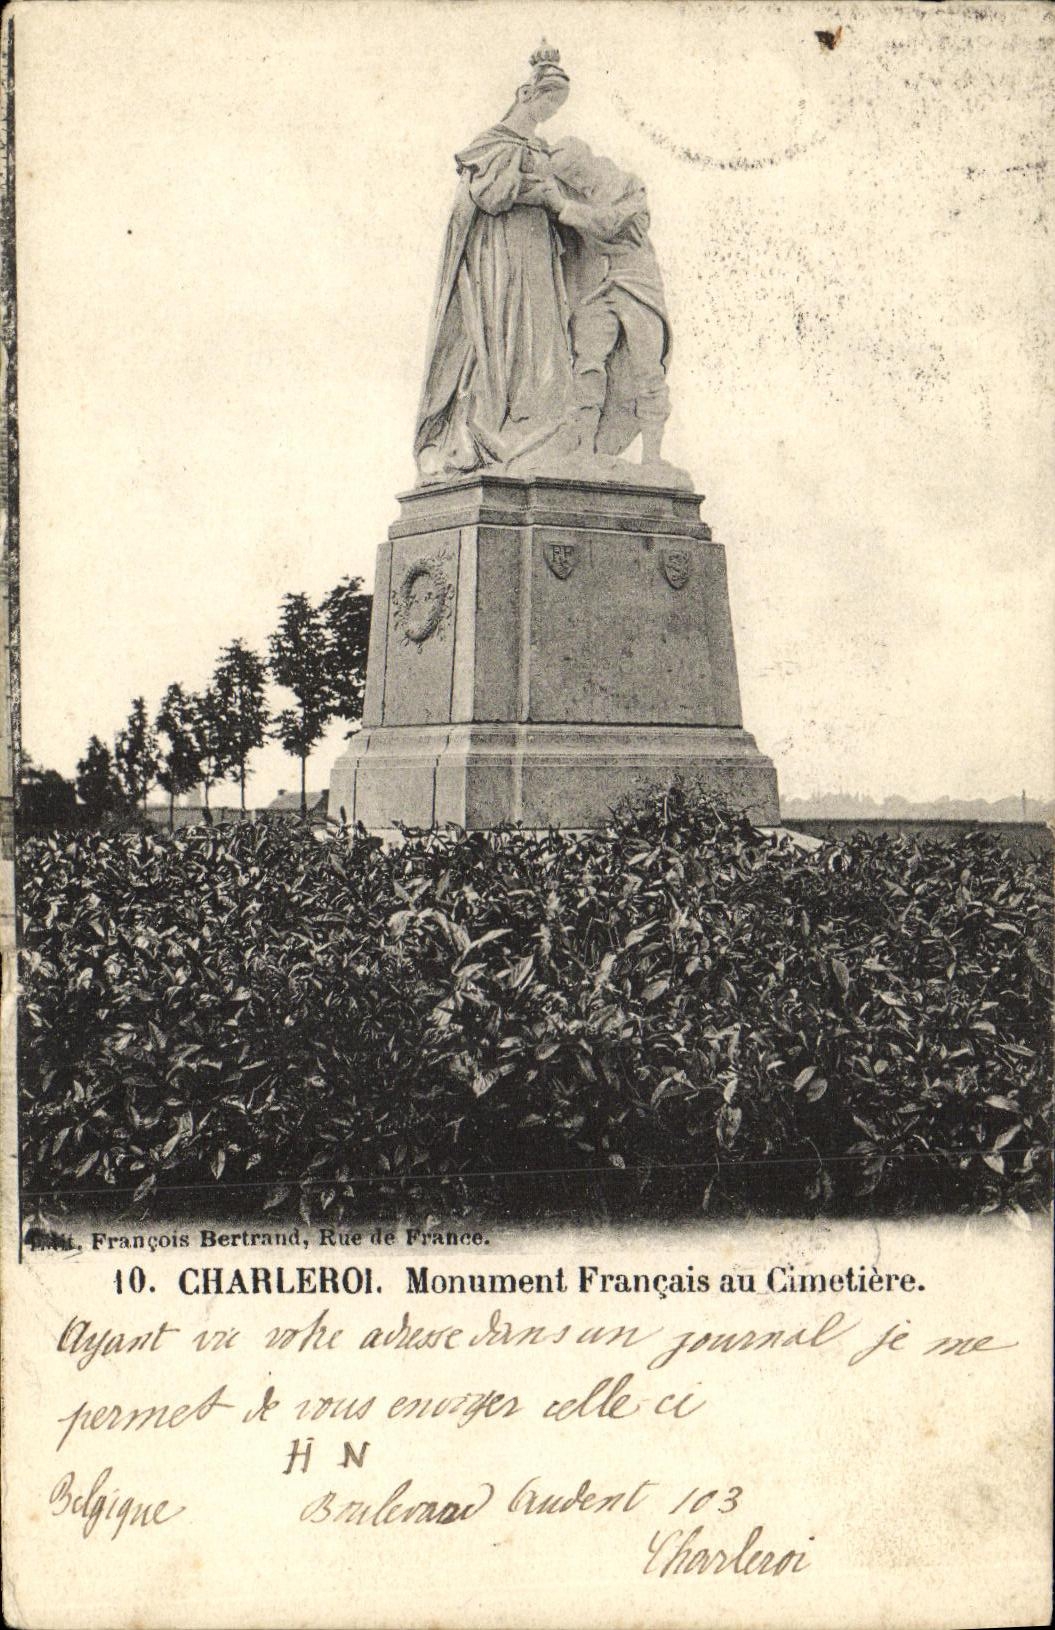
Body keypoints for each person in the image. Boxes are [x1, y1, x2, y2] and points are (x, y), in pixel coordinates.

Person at [414, 44, 574, 481]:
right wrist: (537, 191)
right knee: (503, 339)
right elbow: (490, 195)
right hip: (500, 255)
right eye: (545, 102)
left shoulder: (539, 146)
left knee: (540, 339)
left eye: (555, 107)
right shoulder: (492, 143)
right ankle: (493, 434)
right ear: (526, 94)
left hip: (537, 250)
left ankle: (532, 433)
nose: (548, 112)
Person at [548, 137, 672, 464]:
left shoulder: (629, 186)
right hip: (595, 289)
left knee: (648, 369)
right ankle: (584, 450)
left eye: (576, 171)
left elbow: (611, 224)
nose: (575, 181)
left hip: (637, 285)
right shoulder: (572, 194)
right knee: (586, 364)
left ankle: (653, 459)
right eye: (568, 178)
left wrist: (564, 207)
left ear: (589, 159)